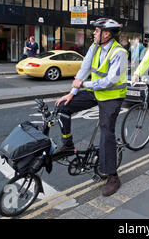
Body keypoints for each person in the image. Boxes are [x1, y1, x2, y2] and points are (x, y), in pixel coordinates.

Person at [54, 18, 128, 197]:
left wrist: (84, 85)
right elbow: (84, 69)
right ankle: (68, 144)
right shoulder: (94, 47)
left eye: (96, 31)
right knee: (63, 107)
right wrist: (72, 93)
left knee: (106, 133)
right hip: (96, 92)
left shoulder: (120, 53)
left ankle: (112, 176)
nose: (93, 33)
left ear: (106, 33)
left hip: (112, 97)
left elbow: (110, 81)